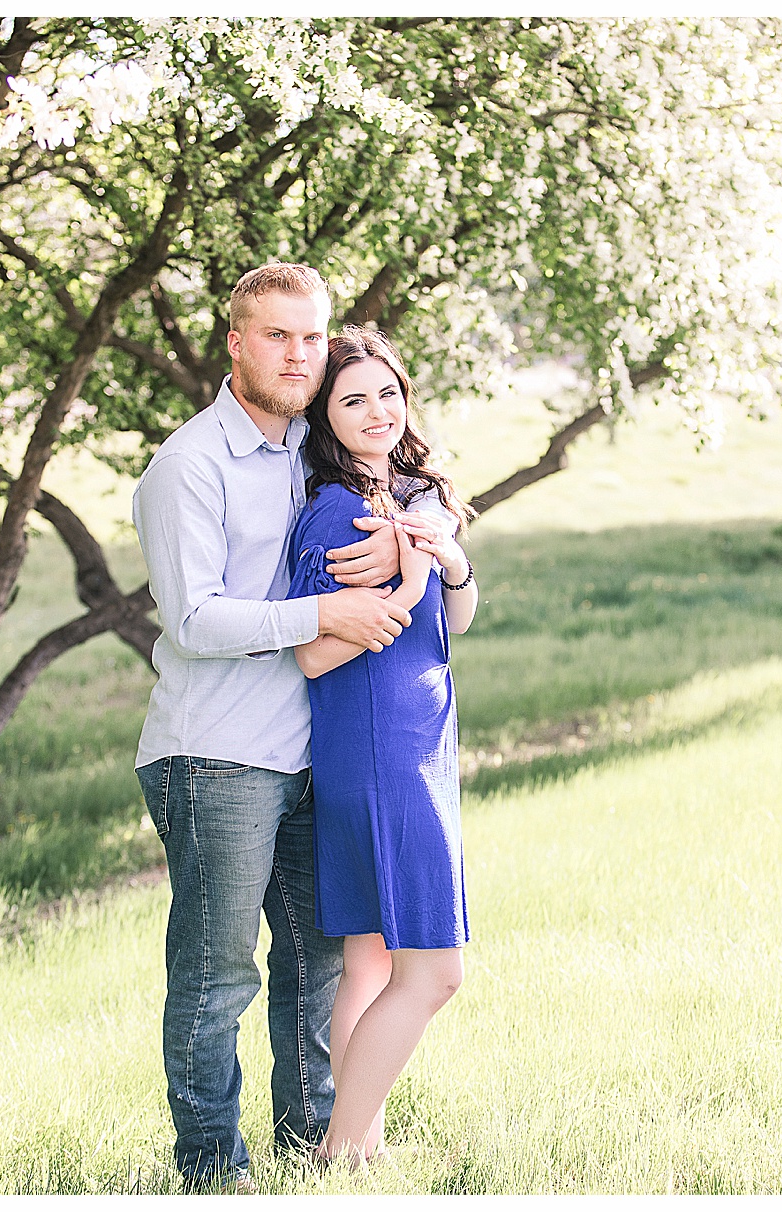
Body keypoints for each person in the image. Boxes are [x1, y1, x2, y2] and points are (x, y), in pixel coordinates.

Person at [132, 264, 423, 1191]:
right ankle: (213, 1172)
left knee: (318, 967)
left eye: (310, 337)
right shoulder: (190, 465)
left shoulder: (310, 448)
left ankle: (312, 1150)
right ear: (235, 343)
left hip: (308, 752)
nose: (298, 354)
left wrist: (427, 535)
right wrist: (324, 617)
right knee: (219, 978)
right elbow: (195, 620)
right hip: (212, 755)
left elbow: (409, 469)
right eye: (276, 336)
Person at [284, 326, 480, 1168]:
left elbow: (455, 622)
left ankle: (363, 1146)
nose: (376, 412)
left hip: (417, 739)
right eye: (352, 398)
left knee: (368, 962)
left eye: (387, 393)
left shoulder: (411, 493)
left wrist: (451, 565)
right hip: (379, 750)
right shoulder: (336, 508)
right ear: (327, 416)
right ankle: (335, 1151)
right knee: (436, 974)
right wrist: (401, 585)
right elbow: (312, 652)